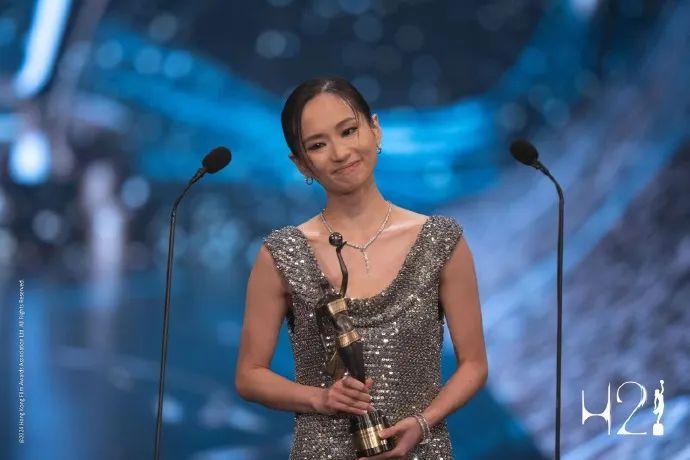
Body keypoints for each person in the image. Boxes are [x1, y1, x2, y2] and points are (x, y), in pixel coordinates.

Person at [235, 76, 488, 460]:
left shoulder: (440, 241)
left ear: (375, 129)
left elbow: (474, 365)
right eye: (317, 145)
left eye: (348, 131)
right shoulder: (282, 253)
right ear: (301, 163)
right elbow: (249, 376)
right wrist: (321, 399)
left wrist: (423, 422)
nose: (340, 153)